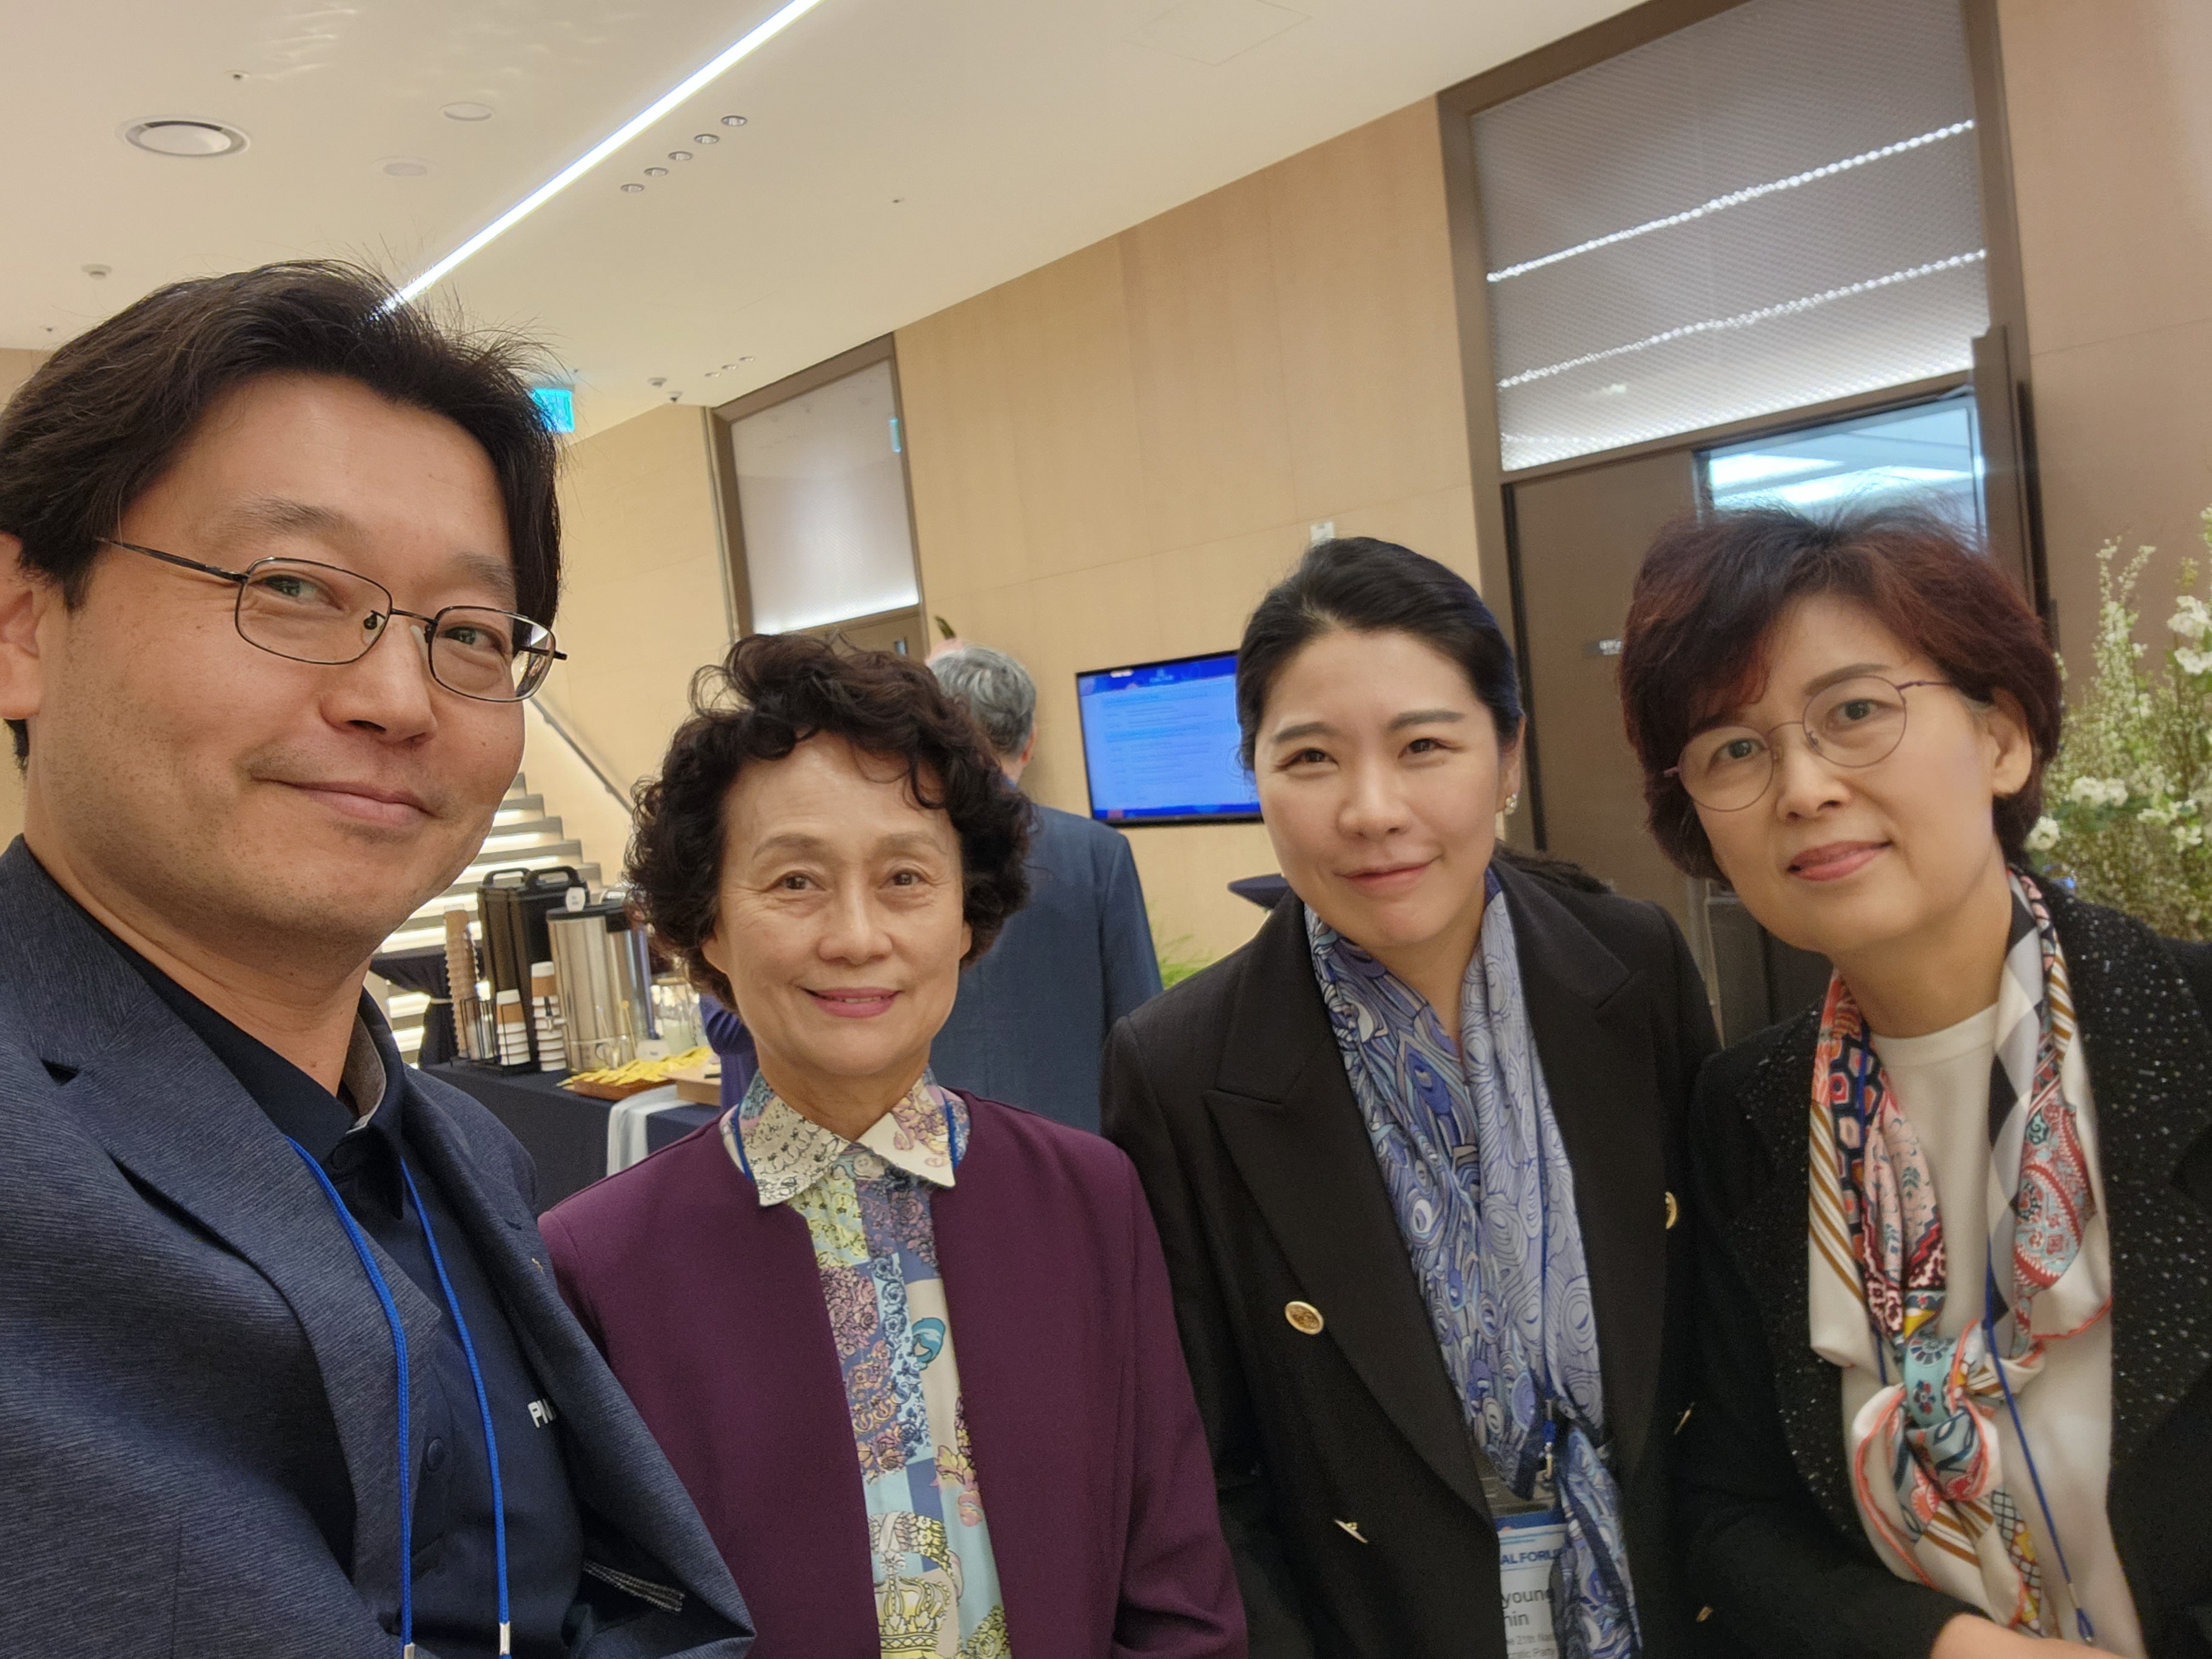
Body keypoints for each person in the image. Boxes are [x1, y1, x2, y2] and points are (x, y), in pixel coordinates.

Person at [0, 263, 753, 1658]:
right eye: (291, 586)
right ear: (25, 620)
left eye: (468, 633)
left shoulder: (468, 1154)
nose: (398, 697)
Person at [540, 634, 1245, 1659]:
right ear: (707, 925)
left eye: (906, 877)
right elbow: (612, 1618)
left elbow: (1175, 1578)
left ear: (966, 913)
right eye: (794, 882)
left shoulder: (1090, 1199)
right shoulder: (598, 1263)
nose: (857, 935)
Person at [1103, 537, 1718, 1658]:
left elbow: (1717, 1343)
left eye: (1424, 746)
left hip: (1672, 1605)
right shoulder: (1180, 1066)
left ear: (1508, 756)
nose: (1372, 810)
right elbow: (1205, 1473)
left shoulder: (1631, 969)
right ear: (1255, 775)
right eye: (1311, 759)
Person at [1615, 506, 2212, 1659]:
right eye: (1733, 749)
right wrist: (1947, 1648)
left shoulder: (2191, 1028)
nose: (1801, 787)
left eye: (1854, 712)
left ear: (2002, 739)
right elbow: (1733, 1512)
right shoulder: (1748, 1112)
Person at [925, 641, 1163, 1130]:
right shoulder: (1099, 853)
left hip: (923, 1142)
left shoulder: (894, 856)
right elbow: (1142, 1023)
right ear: (1029, 743)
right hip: (1071, 1147)